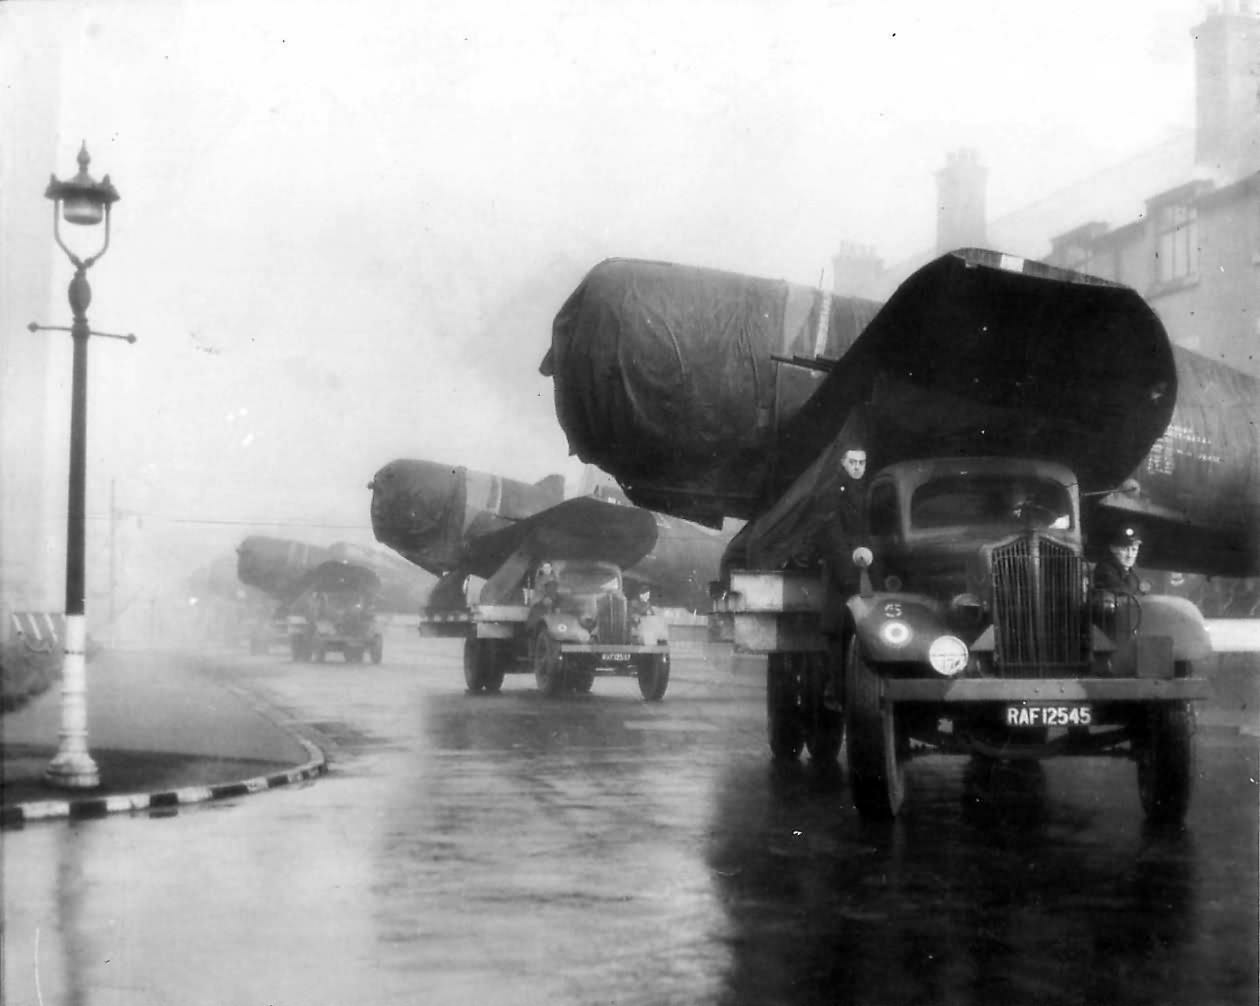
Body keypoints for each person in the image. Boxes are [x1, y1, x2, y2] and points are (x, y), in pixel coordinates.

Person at [1093, 526, 1144, 594]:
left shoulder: (1131, 572)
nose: (1130, 555)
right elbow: (1125, 594)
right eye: (1124, 549)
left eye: (1134, 550)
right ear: (1112, 548)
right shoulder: (1105, 570)